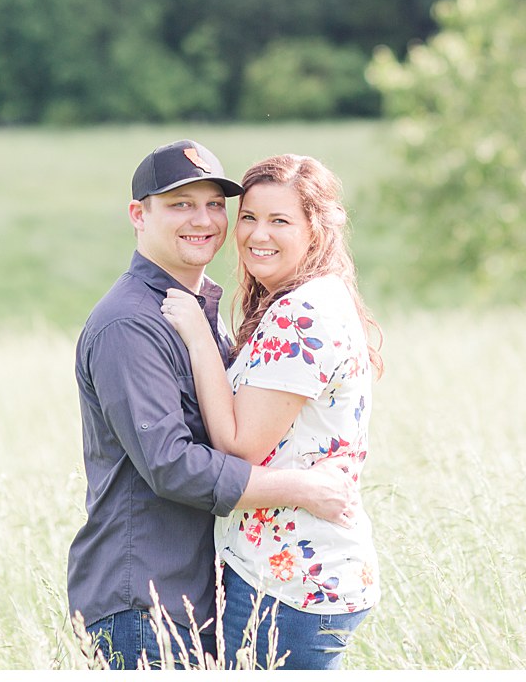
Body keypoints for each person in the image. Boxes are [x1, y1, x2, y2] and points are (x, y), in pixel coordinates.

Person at [67, 139, 359, 670]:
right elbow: (170, 464)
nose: (202, 219)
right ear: (138, 214)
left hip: (195, 598)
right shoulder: (131, 325)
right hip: (145, 601)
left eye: (213, 205)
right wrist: (300, 488)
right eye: (180, 204)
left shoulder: (198, 312)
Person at [161, 153, 383, 670]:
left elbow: (240, 447)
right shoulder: (307, 298)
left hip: (289, 581)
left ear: (317, 230)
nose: (258, 234)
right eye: (250, 217)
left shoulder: (302, 311)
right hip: (293, 570)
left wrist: (197, 335)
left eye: (280, 220)